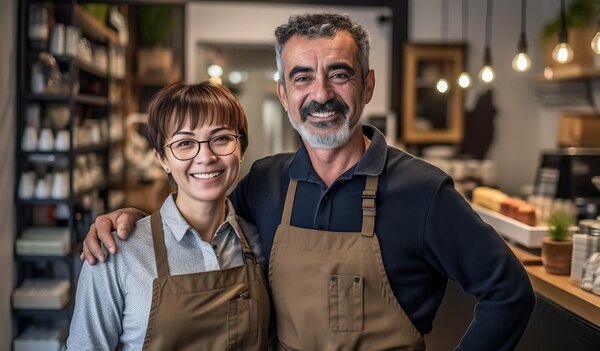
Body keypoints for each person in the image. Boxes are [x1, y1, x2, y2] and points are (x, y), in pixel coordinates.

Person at [82, 13, 535, 350]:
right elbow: (200, 211)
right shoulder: (266, 182)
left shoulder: (423, 192)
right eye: (302, 77)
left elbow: (509, 292)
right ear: (284, 94)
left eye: (339, 74)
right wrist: (135, 223)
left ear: (368, 85)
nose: (320, 94)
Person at [67, 81, 270, 350]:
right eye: (185, 143)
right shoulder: (117, 254)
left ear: (240, 149)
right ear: (162, 159)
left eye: (221, 138)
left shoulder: (261, 243)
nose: (205, 156)